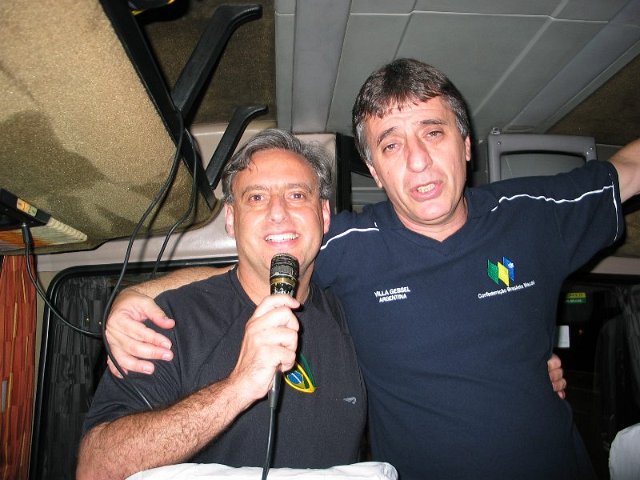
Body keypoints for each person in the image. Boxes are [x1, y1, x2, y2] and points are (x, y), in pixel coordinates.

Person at [104, 59, 640, 479]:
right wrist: (142, 295)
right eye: (391, 145)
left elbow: (629, 167)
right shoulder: (350, 245)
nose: (417, 160)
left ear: (466, 144)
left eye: (433, 132)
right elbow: (262, 259)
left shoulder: (534, 214)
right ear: (375, 173)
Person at [76, 129, 368, 480]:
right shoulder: (172, 320)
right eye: (256, 197)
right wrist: (237, 387)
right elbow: (95, 467)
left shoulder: (354, 316)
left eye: (296, 194)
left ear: (324, 214)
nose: (278, 212)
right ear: (231, 219)